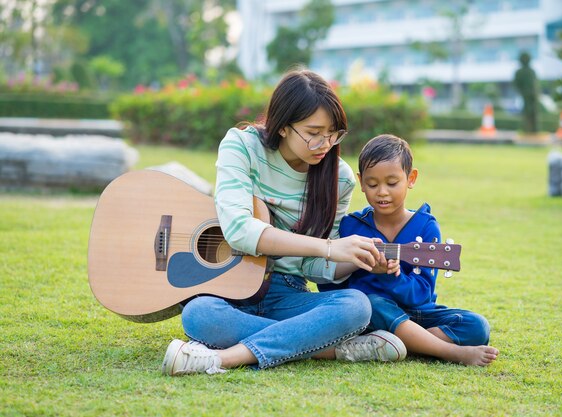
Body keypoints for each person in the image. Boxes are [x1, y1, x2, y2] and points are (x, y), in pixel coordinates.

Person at [161, 69, 406, 376]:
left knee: (356, 306)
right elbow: (238, 230)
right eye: (313, 132)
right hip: (228, 290)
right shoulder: (242, 147)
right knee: (199, 314)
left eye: (333, 133)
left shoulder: (339, 178)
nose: (325, 144)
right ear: (283, 127)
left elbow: (311, 267)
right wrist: (329, 247)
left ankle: (223, 358)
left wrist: (358, 260)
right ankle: (326, 347)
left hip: (287, 292)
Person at [319, 134, 499, 366]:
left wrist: (389, 277)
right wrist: (352, 264)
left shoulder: (425, 226)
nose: (382, 192)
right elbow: (327, 284)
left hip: (416, 313)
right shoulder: (351, 225)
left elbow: (422, 294)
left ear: (411, 178)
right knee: (370, 302)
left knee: (476, 326)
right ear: (361, 182)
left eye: (392, 183)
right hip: (369, 315)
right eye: (373, 184)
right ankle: (446, 351)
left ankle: (402, 342)